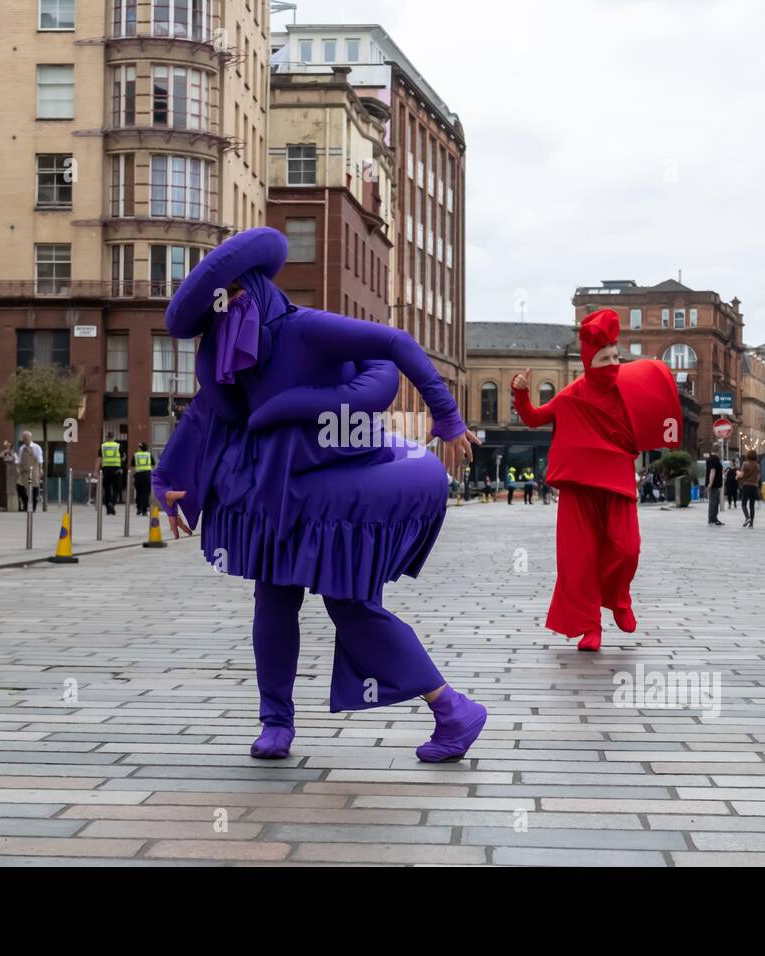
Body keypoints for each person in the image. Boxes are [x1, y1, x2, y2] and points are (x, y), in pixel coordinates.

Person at [150, 227, 486, 763]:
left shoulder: (304, 329)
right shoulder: (230, 358)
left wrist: (446, 417)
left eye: (235, 293)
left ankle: (452, 708)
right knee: (273, 597)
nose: (228, 305)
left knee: (351, 605)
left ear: (256, 288)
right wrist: (164, 482)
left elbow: (395, 343)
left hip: (339, 486)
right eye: (219, 300)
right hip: (278, 494)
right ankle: (275, 722)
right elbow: (205, 414)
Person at [511, 309, 681, 652]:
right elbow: (533, 418)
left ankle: (619, 597)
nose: (614, 363)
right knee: (579, 560)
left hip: (618, 485)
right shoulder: (571, 396)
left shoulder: (629, 390)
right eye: (605, 358)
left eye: (616, 356)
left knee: (627, 548)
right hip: (579, 486)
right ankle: (590, 627)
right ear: (590, 361)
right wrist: (521, 393)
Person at [15, 430, 43, 512]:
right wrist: (18, 468)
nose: (25, 440)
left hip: (33, 470)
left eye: (26, 438)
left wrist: (40, 469)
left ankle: (33, 507)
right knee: (19, 486)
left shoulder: (36, 447)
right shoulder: (22, 448)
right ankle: (25, 502)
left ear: (30, 438)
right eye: (23, 438)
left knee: (34, 488)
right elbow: (19, 460)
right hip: (23, 471)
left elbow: (40, 459)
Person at [96, 431, 123, 516]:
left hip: (106, 469)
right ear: (113, 438)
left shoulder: (102, 446)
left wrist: (95, 471)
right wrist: (121, 466)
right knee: (116, 488)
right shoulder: (118, 446)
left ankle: (108, 509)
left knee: (107, 489)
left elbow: (99, 459)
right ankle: (112, 503)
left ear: (107, 438)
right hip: (116, 469)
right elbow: (123, 457)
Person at [738, 449, 761, 528]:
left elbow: (741, 475)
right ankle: (751, 524)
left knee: (744, 504)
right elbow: (758, 476)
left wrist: (737, 473)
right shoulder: (757, 465)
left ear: (747, 456)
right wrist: (756, 483)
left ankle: (747, 518)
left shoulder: (745, 464)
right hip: (754, 487)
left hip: (746, 486)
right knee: (752, 505)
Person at [132, 442, 153, 516]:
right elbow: (153, 464)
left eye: (139, 447)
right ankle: (145, 509)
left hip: (138, 475)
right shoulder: (148, 455)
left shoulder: (136, 455)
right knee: (146, 493)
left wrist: (133, 475)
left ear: (141, 448)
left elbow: (133, 466)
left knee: (139, 492)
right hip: (147, 475)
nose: (138, 448)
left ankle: (139, 509)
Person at [705, 449, 724, 526]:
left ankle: (714, 518)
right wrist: (710, 484)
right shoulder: (714, 459)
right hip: (714, 485)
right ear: (718, 451)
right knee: (713, 502)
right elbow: (712, 472)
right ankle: (712, 519)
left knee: (715, 501)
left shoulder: (710, 459)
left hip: (715, 484)